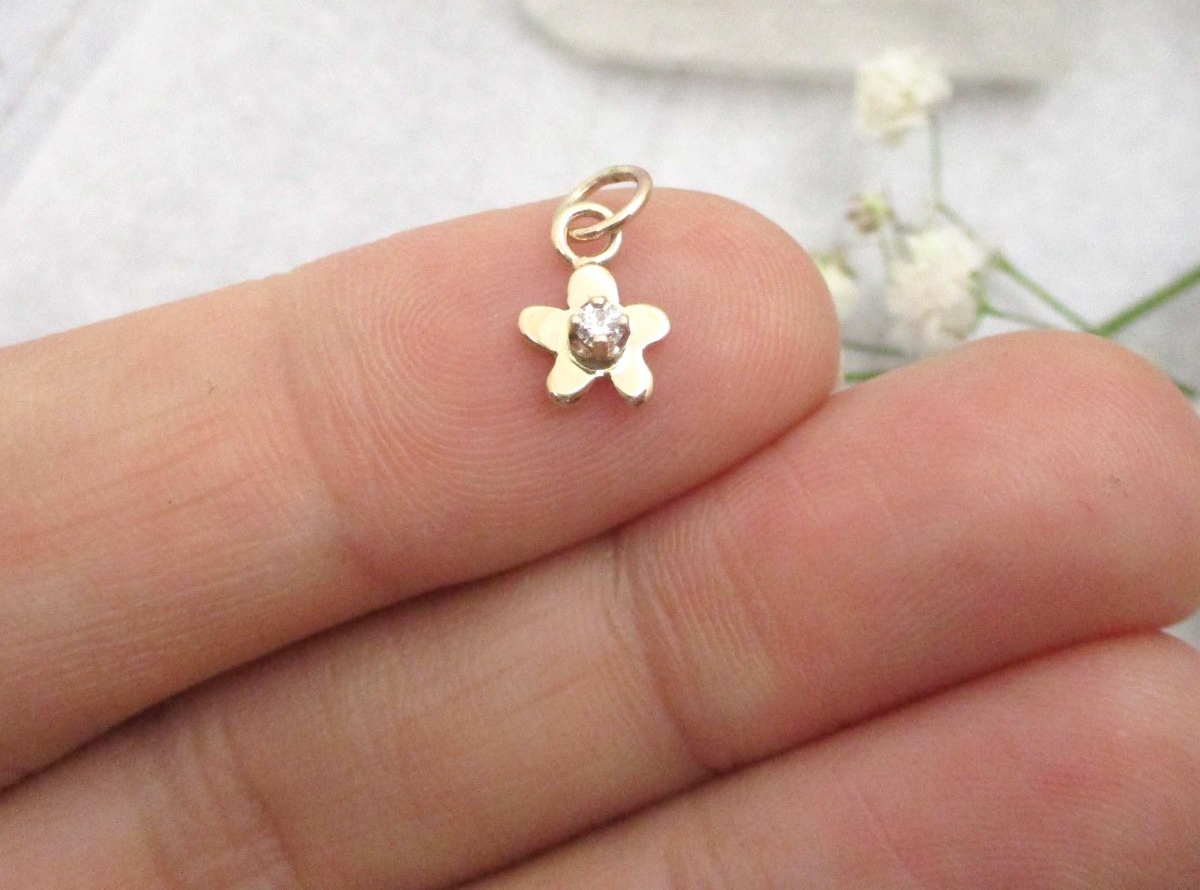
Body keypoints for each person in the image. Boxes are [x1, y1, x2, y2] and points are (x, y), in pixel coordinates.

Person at [0, 190, 1197, 887]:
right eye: (589, 322)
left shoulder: (614, 332)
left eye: (601, 325)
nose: (592, 323)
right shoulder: (576, 335)